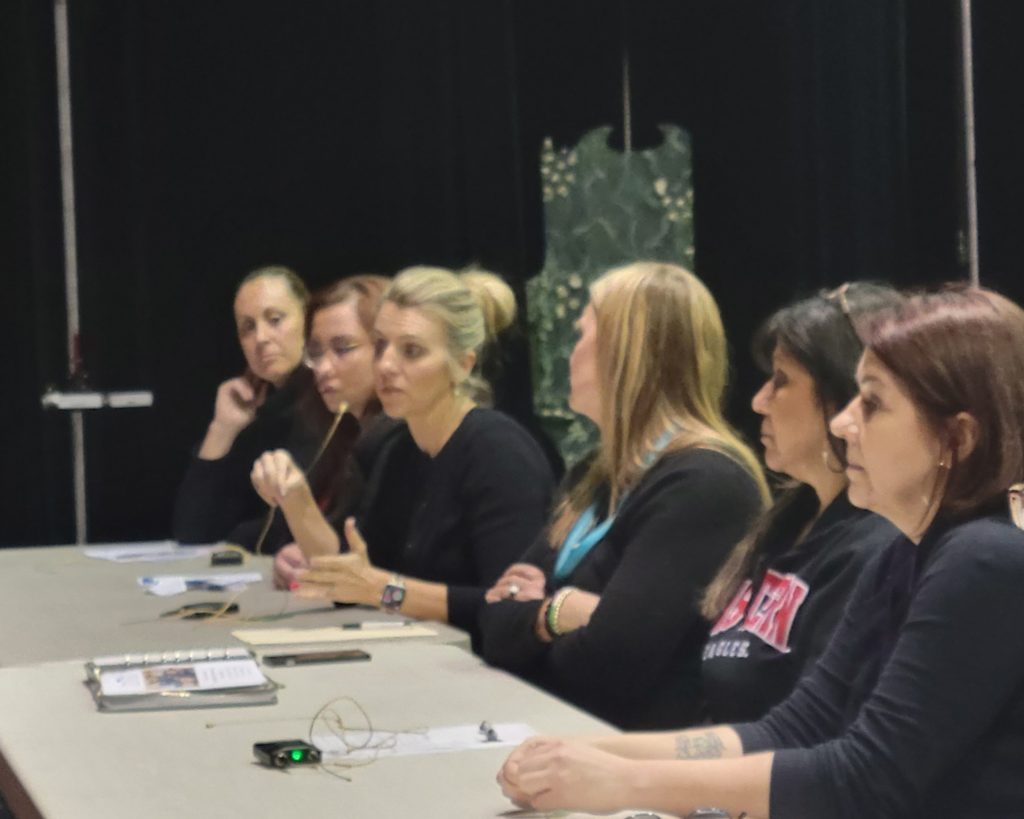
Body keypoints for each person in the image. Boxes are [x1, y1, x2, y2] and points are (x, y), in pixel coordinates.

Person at [497, 286, 1024, 819]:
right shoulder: (910, 551)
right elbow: (793, 729)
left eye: (873, 402)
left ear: (956, 438)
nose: (844, 423)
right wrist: (583, 752)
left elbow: (863, 779)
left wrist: (624, 782)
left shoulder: (985, 557)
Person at [477, 261, 768, 729]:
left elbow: (611, 664)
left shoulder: (706, 482)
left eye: (581, 334)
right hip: (561, 730)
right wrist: (561, 613)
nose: (568, 353)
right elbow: (493, 623)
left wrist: (539, 611)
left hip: (640, 764)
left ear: (626, 352)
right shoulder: (595, 473)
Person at [296, 266, 555, 651]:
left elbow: (511, 609)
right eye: (381, 345)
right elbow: (360, 586)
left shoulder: (499, 453)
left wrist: (388, 591)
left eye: (411, 351)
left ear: (463, 364)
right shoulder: (393, 449)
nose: (385, 365)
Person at [700, 283, 900, 723]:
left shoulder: (878, 545)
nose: (758, 401)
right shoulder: (788, 521)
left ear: (843, 392)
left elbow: (812, 737)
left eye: (782, 380)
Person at [248, 275, 397, 584]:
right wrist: (294, 555)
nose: (323, 368)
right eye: (315, 353)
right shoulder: (337, 434)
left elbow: (372, 583)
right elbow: (347, 570)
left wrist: (298, 504)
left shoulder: (410, 441)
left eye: (343, 348)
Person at [173, 265, 319, 548]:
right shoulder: (261, 411)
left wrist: (237, 537)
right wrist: (222, 429)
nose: (261, 338)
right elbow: (193, 530)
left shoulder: (333, 404)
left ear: (309, 320)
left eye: (275, 319)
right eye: (247, 328)